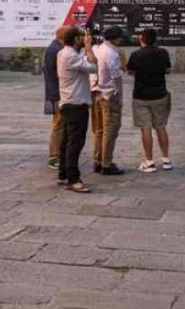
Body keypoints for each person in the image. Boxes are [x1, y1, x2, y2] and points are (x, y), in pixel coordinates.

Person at [57, 26, 97, 192]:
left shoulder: (64, 53)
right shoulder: (71, 56)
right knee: (75, 142)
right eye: (82, 37)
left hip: (69, 101)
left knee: (66, 140)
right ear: (75, 39)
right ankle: (73, 178)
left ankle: (64, 174)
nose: (85, 39)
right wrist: (88, 48)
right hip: (76, 103)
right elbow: (93, 66)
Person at [127, 28, 172, 173]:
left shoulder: (136, 54)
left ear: (141, 38)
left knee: (145, 128)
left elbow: (130, 71)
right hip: (160, 94)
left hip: (141, 96)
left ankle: (149, 161)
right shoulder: (163, 52)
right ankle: (166, 159)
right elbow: (167, 69)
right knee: (161, 127)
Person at [91, 26, 126, 175]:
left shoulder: (96, 48)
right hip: (109, 94)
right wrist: (120, 95)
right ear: (116, 39)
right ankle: (107, 162)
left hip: (96, 92)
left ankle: (98, 160)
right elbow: (116, 76)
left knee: (99, 129)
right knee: (111, 129)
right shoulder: (112, 53)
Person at [43, 26, 67, 170]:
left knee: (58, 124)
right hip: (57, 93)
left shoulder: (53, 48)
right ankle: (54, 156)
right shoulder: (57, 50)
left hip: (54, 92)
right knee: (58, 124)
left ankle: (56, 154)